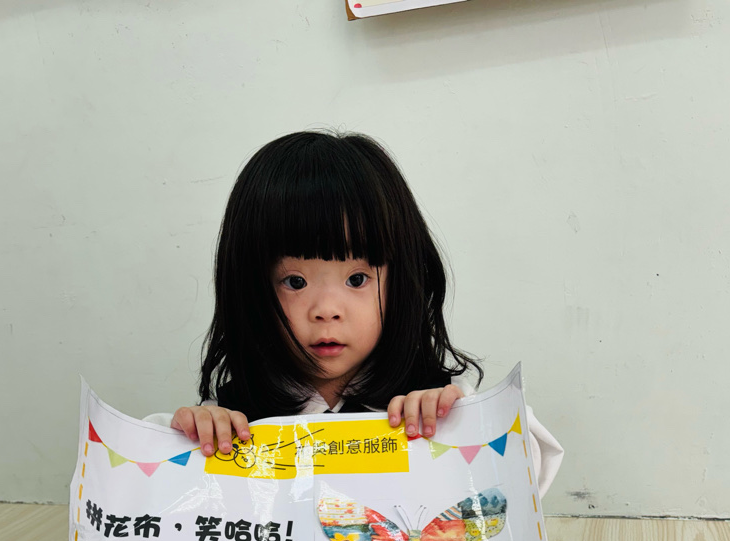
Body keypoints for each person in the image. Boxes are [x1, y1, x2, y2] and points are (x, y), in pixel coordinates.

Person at [147, 130, 563, 495]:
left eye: (357, 279)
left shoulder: (434, 405)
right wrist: (189, 434)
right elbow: (155, 494)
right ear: (250, 288)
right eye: (295, 282)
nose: (327, 311)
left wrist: (467, 419)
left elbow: (531, 467)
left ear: (401, 280)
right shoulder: (233, 421)